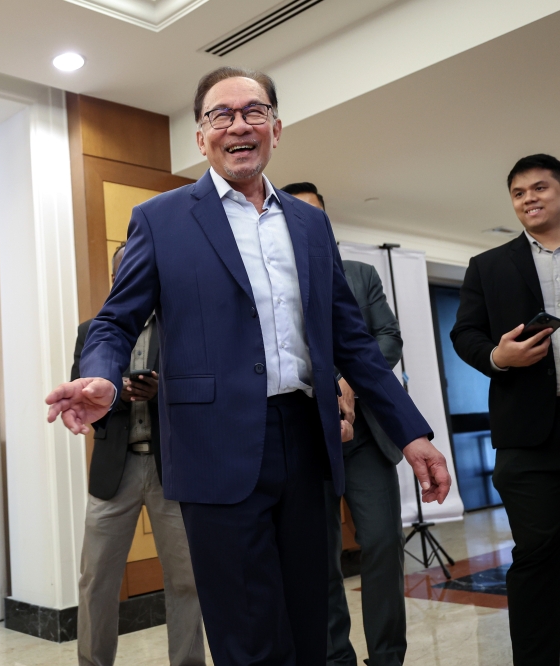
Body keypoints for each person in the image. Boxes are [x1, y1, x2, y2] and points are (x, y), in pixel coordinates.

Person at [45, 66, 451, 666]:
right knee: (245, 635)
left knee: (314, 624)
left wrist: (411, 431)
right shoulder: (161, 218)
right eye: (221, 115)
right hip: (215, 449)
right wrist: (103, 376)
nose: (239, 124)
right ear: (201, 135)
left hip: (308, 442)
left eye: (253, 111)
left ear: (276, 128)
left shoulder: (311, 224)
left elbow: (351, 339)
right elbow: (114, 321)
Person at [282, 181, 409, 666]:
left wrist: (350, 384)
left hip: (367, 438)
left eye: (315, 214)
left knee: (381, 542)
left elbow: (388, 337)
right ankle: (336, 657)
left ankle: (387, 657)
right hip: (306, 438)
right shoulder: (271, 279)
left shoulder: (359, 273)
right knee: (320, 555)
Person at [72, 243, 205, 666]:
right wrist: (122, 395)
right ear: (116, 280)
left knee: (187, 581)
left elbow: (205, 393)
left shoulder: (184, 328)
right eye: (123, 272)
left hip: (175, 471)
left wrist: (160, 392)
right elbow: (82, 395)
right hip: (115, 471)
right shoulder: (92, 330)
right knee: (96, 581)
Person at [451, 153, 560, 666]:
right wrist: (499, 356)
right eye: (519, 193)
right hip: (527, 437)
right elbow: (464, 334)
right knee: (537, 555)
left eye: (539, 188)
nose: (529, 199)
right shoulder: (489, 266)